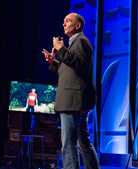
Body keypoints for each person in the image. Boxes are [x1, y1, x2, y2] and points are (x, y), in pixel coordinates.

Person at [42, 13, 99, 169]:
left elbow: (79, 64)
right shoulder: (75, 44)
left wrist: (60, 49)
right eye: (63, 21)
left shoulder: (81, 41)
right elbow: (69, 69)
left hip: (73, 100)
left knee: (69, 143)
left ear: (77, 25)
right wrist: (53, 62)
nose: (64, 24)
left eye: (68, 21)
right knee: (83, 142)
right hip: (76, 99)